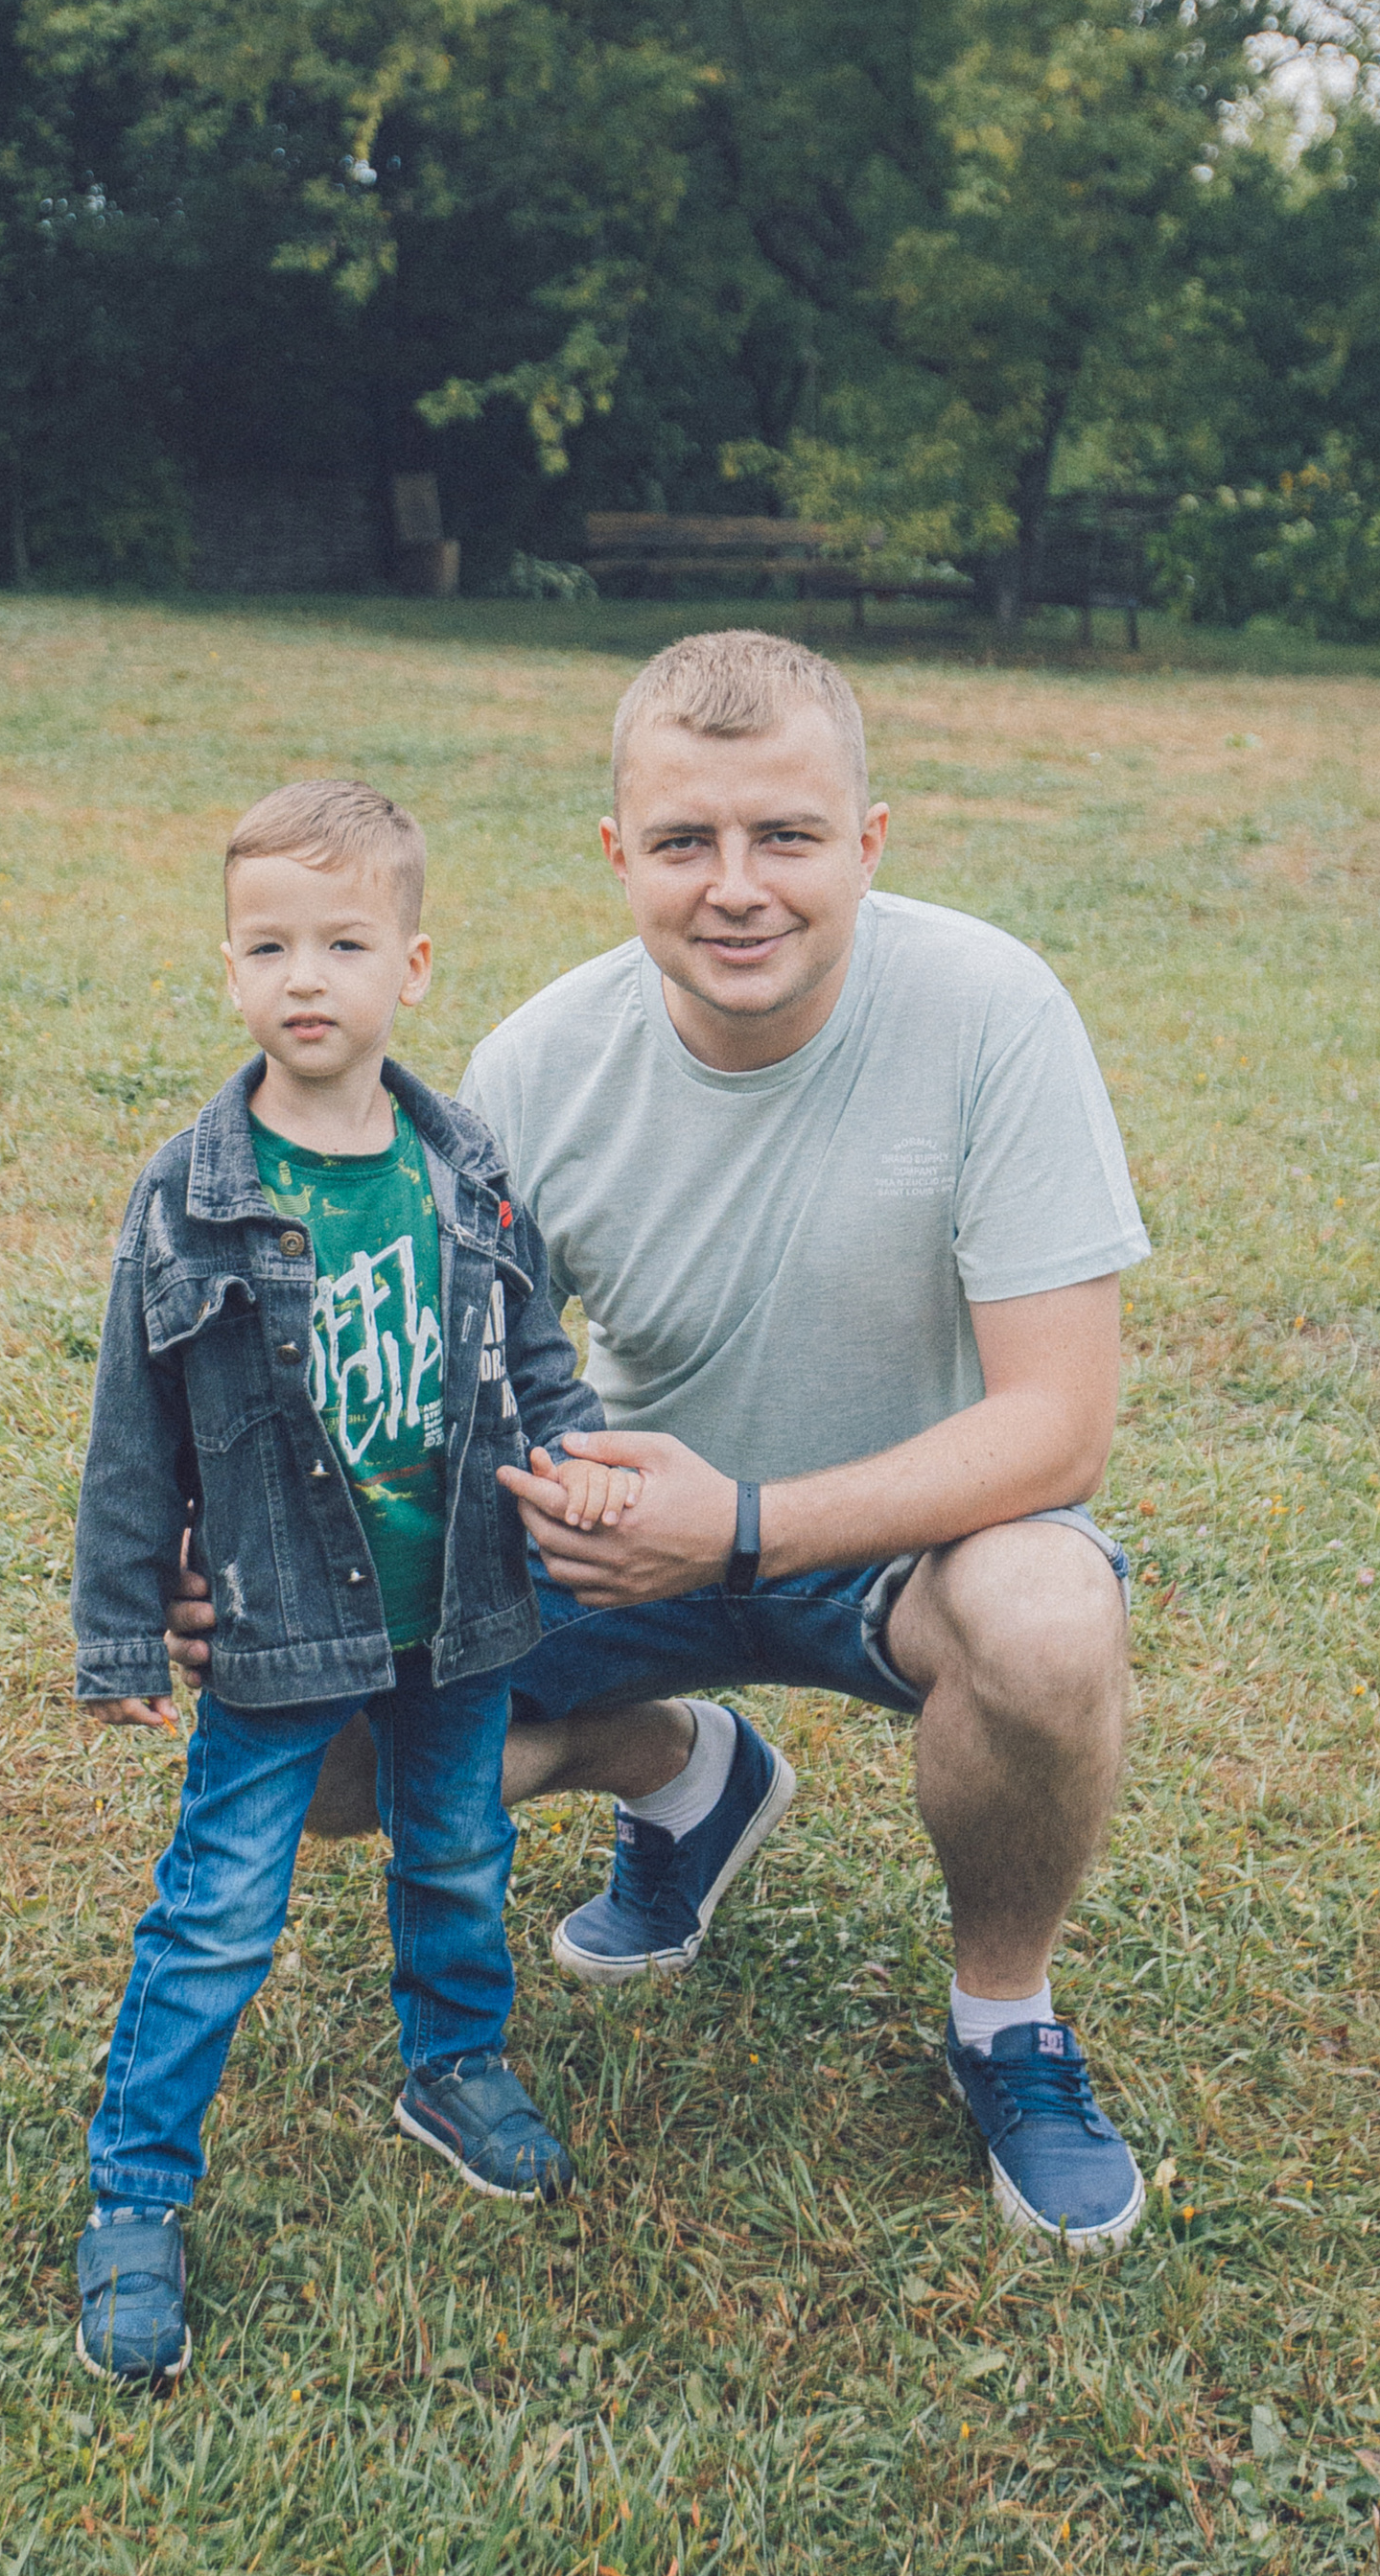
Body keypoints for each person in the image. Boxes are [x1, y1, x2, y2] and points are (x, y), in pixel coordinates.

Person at [167, 636, 1155, 2253]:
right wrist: (264, 1559)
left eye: (788, 837)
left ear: (871, 843)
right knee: (340, 1751)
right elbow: (444, 1393)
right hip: (624, 1540)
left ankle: (1006, 2027)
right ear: (620, 857)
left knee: (1053, 1621)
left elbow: (1061, 1424)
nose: (738, 887)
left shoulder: (993, 1011)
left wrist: (752, 1524)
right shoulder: (535, 1072)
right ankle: (687, 1772)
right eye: (687, 843)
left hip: (903, 1551)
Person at [69, 777, 638, 2384]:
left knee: (456, 1855)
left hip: (460, 1609)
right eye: (268, 946)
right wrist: (123, 1620)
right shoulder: (192, 1194)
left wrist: (580, 1457)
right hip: (276, 1629)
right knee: (217, 1918)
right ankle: (135, 2192)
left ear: (414, 964)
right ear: (230, 970)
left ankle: (453, 2062)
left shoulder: (463, 1166)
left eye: (341, 942)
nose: (303, 977)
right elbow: (133, 1430)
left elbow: (534, 1354)